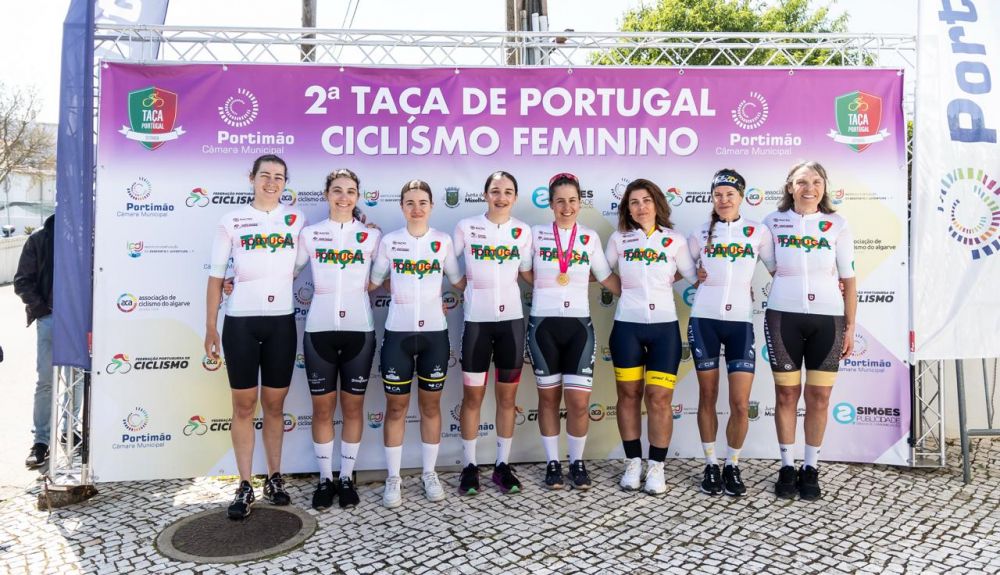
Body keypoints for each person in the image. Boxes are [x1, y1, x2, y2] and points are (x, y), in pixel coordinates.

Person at [205, 154, 305, 520]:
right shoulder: (231, 220)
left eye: (279, 176)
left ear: (285, 183)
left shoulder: (297, 220)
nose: (272, 182)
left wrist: (363, 225)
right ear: (252, 178)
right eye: (265, 175)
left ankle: (275, 478)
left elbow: (310, 257)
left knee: (275, 406)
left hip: (281, 323)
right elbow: (216, 276)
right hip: (240, 323)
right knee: (244, 407)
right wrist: (210, 326)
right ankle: (245, 483)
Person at [763, 160, 856, 501]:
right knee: (786, 395)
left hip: (828, 319)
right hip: (783, 317)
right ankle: (787, 466)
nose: (810, 188)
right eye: (802, 182)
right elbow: (772, 267)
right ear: (790, 187)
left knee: (819, 397)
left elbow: (849, 279)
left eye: (817, 182)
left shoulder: (838, 224)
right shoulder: (772, 222)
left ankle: (811, 467)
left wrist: (850, 326)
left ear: (824, 187)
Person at [369, 179, 465, 508]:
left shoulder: (443, 241)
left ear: (431, 206)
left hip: (434, 335)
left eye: (422, 202)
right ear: (402, 207)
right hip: (398, 334)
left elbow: (458, 281)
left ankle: (429, 473)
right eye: (410, 202)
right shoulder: (389, 241)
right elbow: (373, 282)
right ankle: (393, 478)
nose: (416, 208)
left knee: (430, 407)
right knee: (395, 408)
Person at [526, 173, 620, 490]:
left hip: (579, 326)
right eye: (560, 201)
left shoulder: (589, 238)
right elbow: (524, 270)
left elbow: (605, 277)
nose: (567, 207)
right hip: (543, 325)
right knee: (548, 399)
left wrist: (646, 291)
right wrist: (546, 287)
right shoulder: (535, 234)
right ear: (551, 204)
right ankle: (553, 463)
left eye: (572, 201)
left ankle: (577, 462)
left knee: (579, 403)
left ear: (580, 203)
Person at [605, 179, 696, 495]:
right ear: (627, 209)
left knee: (659, 399)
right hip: (626, 328)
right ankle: (633, 462)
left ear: (657, 204)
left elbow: (693, 274)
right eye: (634, 202)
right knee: (628, 395)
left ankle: (656, 467)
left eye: (646, 200)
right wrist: (627, 291)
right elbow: (601, 272)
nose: (641, 207)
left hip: (664, 329)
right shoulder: (619, 239)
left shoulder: (675, 240)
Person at [296, 168, 380, 510]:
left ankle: (345, 477)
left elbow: (384, 278)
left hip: (359, 330)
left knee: (353, 407)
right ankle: (324, 478)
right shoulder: (310, 234)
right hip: (319, 330)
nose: (344, 197)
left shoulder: (372, 237)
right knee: (322, 409)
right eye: (337, 190)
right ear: (326, 195)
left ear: (357, 197)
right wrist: (233, 279)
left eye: (350, 191)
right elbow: (285, 270)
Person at [688, 169, 774, 496]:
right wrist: (693, 274)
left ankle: (732, 464)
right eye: (718, 195)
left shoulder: (757, 231)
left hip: (740, 323)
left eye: (730, 194)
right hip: (704, 320)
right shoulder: (699, 233)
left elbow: (780, 270)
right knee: (707, 396)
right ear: (712, 198)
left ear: (741, 197)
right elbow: (679, 267)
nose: (724, 200)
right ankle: (711, 464)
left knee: (739, 402)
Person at [454, 171, 533, 496]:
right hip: (477, 323)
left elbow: (528, 273)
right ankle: (469, 466)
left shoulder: (523, 231)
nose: (501, 197)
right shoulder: (466, 227)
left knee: (507, 398)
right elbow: (441, 258)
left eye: (508, 192)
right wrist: (468, 289)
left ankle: (502, 465)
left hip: (511, 324)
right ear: (486, 194)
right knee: (472, 397)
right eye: (496, 191)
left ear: (515, 198)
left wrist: (574, 277)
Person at [14, 214, 55, 469]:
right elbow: (22, 281)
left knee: (78, 378)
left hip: (80, 319)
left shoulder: (87, 237)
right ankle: (41, 441)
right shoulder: (39, 238)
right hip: (49, 317)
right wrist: (42, 310)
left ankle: (70, 431)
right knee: (46, 380)